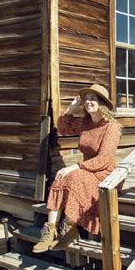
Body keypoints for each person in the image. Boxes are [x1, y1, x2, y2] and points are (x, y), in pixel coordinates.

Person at [33, 84, 122, 253]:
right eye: (86, 99)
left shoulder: (112, 127)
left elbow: (104, 159)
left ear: (101, 103)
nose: (88, 102)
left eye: (93, 99)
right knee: (61, 177)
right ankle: (49, 231)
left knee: (74, 176)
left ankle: (68, 230)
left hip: (105, 173)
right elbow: (63, 127)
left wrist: (75, 166)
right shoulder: (85, 123)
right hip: (86, 169)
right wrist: (71, 108)